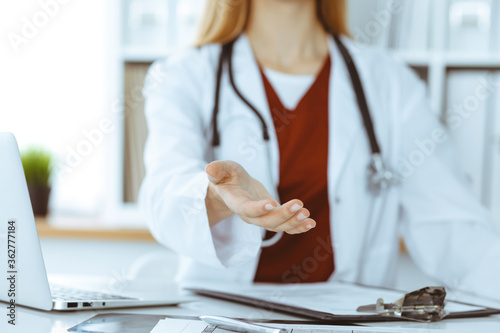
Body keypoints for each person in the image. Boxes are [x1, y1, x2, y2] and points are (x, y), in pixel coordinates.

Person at [139, 0, 500, 299]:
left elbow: (453, 226)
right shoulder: (185, 75)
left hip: (349, 318)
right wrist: (219, 197)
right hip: (222, 314)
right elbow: (162, 194)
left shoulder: (389, 82)